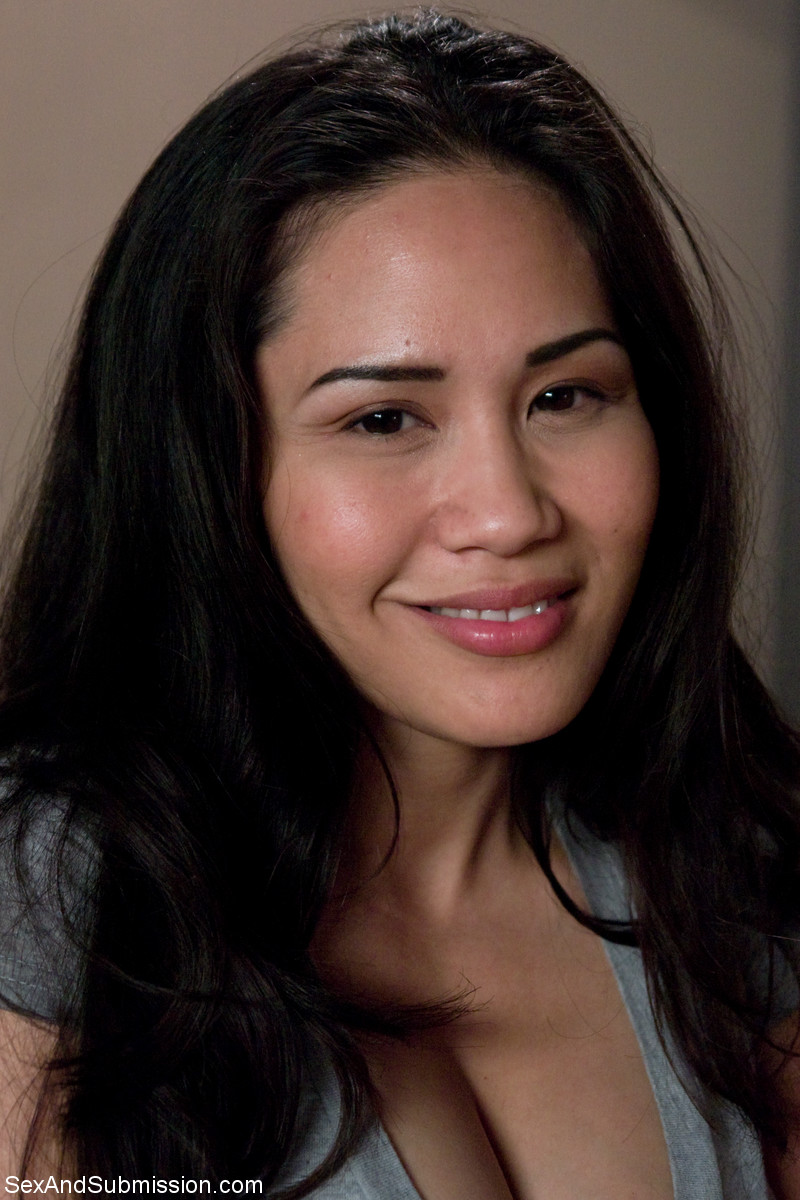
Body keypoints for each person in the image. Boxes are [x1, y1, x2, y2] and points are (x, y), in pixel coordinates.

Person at [0, 8, 798, 1197]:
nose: (507, 513)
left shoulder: (733, 870)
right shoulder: (58, 896)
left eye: (565, 396)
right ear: (210, 470)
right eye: (383, 419)